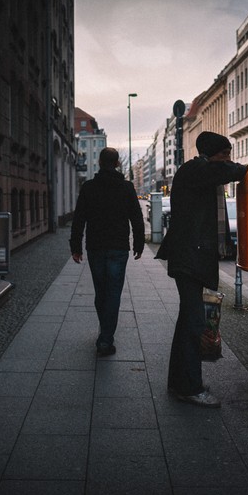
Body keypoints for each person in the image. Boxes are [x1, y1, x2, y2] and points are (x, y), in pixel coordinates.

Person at [155, 132, 248, 408]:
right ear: (210, 155)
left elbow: (222, 170)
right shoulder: (196, 169)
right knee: (194, 323)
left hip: (189, 256)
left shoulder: (200, 172)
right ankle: (190, 388)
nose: (227, 160)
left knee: (187, 321)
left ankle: (179, 382)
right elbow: (230, 171)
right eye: (224, 154)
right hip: (189, 257)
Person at [69, 147, 145, 357]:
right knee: (113, 294)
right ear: (118, 163)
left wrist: (75, 247)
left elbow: (79, 219)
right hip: (119, 248)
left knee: (101, 293)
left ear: (100, 163)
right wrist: (138, 244)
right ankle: (105, 339)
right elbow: (136, 218)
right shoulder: (126, 187)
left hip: (95, 247)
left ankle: (105, 335)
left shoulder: (89, 188)